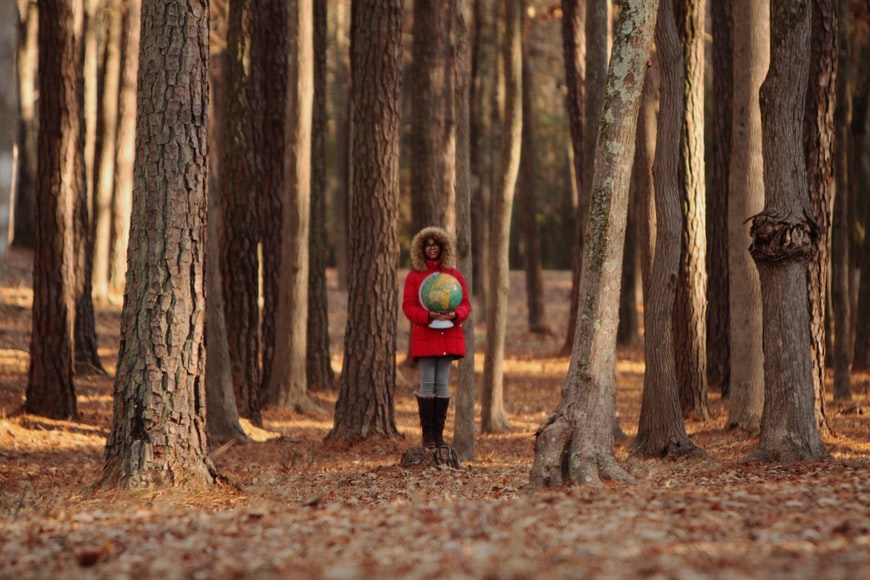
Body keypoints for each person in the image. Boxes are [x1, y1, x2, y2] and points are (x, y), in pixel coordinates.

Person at [402, 226, 471, 449]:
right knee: (427, 383)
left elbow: (466, 305)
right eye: (428, 245)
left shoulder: (454, 276)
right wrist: (427, 315)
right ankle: (427, 436)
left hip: (449, 335)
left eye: (436, 245)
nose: (432, 249)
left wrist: (455, 314)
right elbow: (408, 307)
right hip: (425, 336)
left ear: (443, 248)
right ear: (421, 249)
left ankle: (439, 436)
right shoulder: (414, 277)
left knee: (442, 385)